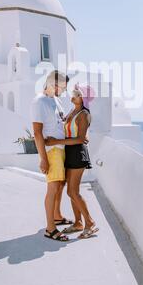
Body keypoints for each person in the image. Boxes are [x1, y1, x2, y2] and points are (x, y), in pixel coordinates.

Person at [45, 84, 99, 239]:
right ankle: (78, 223)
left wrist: (56, 142)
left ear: (83, 98)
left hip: (77, 153)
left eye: (77, 93)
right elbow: (69, 129)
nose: (73, 94)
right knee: (72, 191)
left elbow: (81, 138)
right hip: (69, 152)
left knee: (72, 191)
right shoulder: (73, 111)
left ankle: (89, 222)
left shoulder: (84, 114)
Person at [31, 70, 73, 242]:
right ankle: (50, 229)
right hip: (52, 152)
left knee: (60, 185)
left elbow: (61, 121)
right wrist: (43, 159)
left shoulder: (55, 100)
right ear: (52, 85)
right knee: (53, 188)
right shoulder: (39, 102)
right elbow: (37, 132)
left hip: (60, 148)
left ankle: (56, 216)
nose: (63, 91)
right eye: (62, 87)